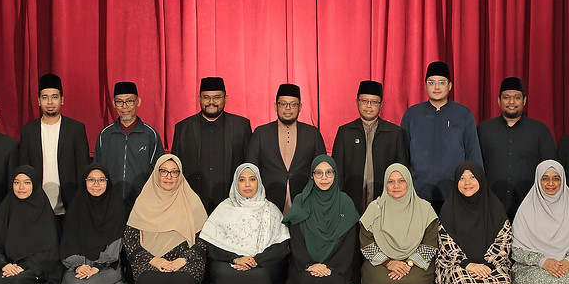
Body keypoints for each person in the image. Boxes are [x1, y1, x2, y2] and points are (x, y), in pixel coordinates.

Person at [124, 155, 208, 284]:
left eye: (174, 172)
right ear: (156, 174)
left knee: (180, 283)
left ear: (180, 175)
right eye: (164, 171)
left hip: (184, 262)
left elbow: (204, 241)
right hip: (150, 261)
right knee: (150, 283)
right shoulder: (143, 201)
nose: (169, 176)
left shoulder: (192, 200)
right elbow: (131, 240)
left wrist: (183, 260)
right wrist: (154, 260)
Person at [281, 155, 359, 284]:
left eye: (329, 173)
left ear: (335, 175)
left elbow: (348, 244)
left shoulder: (345, 203)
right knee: (305, 283)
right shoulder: (301, 201)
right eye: (319, 173)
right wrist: (309, 265)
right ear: (312, 175)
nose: (324, 178)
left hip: (335, 269)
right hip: (304, 267)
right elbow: (295, 241)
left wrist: (330, 267)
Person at [435, 162, 512, 284]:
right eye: (462, 178)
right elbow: (445, 244)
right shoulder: (448, 208)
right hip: (457, 265)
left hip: (492, 265)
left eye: (472, 177)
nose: (467, 182)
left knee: (500, 283)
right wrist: (467, 264)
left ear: (481, 180)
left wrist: (489, 265)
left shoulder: (495, 206)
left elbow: (504, 240)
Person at [50, 164, 126, 284]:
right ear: (84, 183)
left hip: (107, 267)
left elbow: (117, 243)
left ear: (107, 183)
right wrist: (78, 265)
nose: (96, 184)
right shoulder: (76, 208)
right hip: (78, 266)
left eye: (101, 180)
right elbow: (67, 243)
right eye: (91, 180)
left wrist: (97, 266)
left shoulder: (116, 207)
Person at [400, 62, 482, 212]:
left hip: (454, 194)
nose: (436, 87)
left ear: (449, 86)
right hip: (418, 194)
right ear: (425, 86)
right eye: (431, 82)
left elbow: (473, 154)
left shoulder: (463, 114)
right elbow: (402, 154)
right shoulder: (412, 114)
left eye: (441, 83)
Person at [477, 77, 556, 220]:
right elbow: (475, 167)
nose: (511, 102)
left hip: (531, 208)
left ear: (524, 100)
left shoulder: (539, 130)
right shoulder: (483, 130)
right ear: (499, 100)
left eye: (517, 97)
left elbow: (550, 168)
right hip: (490, 208)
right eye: (506, 97)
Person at [172, 76, 253, 214]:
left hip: (232, 203)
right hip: (192, 203)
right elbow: (175, 167)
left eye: (216, 97)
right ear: (199, 99)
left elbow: (249, 166)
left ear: (225, 98)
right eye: (206, 97)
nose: (211, 102)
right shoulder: (183, 128)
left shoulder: (241, 126)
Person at [245, 83, 326, 213]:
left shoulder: (312, 133)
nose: (288, 108)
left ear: (300, 107)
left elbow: (322, 169)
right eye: (283, 104)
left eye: (293, 104)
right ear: (275, 106)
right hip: (267, 202)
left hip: (305, 202)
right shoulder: (261, 133)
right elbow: (250, 168)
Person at [331, 80, 409, 214]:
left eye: (374, 102)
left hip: (386, 203)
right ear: (357, 102)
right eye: (364, 101)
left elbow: (402, 170)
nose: (368, 106)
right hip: (350, 204)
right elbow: (337, 172)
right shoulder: (345, 132)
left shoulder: (395, 133)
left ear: (381, 104)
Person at [19, 73, 90, 218]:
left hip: (69, 205)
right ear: (38, 101)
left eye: (54, 97)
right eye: (45, 97)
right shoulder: (28, 131)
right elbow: (23, 168)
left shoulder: (76, 129)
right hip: (37, 204)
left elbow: (82, 168)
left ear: (62, 100)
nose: (50, 102)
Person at [93, 81, 163, 212]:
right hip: (110, 205)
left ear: (138, 101)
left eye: (130, 101)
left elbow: (158, 172)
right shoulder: (105, 135)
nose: (125, 107)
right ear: (114, 104)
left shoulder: (150, 135)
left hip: (143, 205)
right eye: (119, 102)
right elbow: (97, 170)